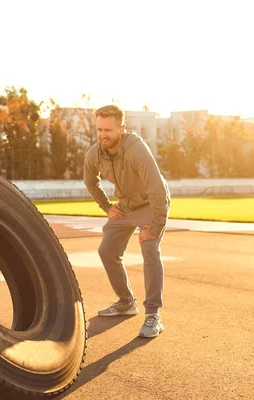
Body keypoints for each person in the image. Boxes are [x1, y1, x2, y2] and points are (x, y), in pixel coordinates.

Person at [83, 105, 171, 338]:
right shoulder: (95, 153)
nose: (103, 135)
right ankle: (125, 302)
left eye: (108, 130)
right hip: (124, 205)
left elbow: (157, 190)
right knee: (107, 251)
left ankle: (153, 315)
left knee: (150, 248)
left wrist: (156, 226)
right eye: (100, 129)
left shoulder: (137, 150)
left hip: (150, 203)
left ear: (121, 129)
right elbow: (90, 182)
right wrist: (107, 207)